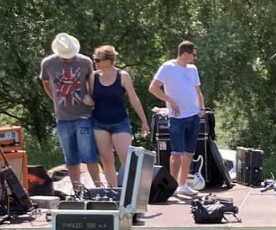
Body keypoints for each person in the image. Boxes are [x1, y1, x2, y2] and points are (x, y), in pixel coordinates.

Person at [39, 32, 102, 190]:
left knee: (89, 154)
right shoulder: (48, 63)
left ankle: (99, 188)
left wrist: (89, 95)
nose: (67, 58)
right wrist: (54, 98)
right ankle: (77, 189)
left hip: (83, 115)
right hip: (62, 117)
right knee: (70, 157)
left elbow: (91, 81)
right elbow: (45, 82)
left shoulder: (85, 61)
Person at [149, 40, 205, 200]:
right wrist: (170, 101)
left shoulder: (193, 69)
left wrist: (201, 109)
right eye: (193, 55)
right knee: (176, 153)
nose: (195, 58)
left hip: (193, 115)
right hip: (177, 118)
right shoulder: (168, 67)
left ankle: (183, 185)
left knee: (189, 153)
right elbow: (153, 87)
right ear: (185, 54)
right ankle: (173, 186)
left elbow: (198, 91)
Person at [87, 44, 151, 187]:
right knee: (107, 161)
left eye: (98, 60)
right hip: (99, 123)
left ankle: (133, 195)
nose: (95, 63)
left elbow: (134, 99)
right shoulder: (93, 77)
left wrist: (144, 121)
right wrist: (86, 99)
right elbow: (89, 96)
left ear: (108, 61)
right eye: (94, 60)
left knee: (126, 160)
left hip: (120, 122)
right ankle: (113, 193)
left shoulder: (122, 76)